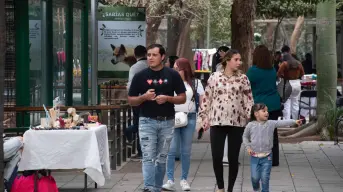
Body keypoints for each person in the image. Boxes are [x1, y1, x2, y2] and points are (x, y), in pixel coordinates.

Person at [128, 44, 186, 192]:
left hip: (167, 121)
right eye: (148, 55)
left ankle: (157, 187)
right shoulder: (140, 76)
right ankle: (149, 188)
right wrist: (144, 97)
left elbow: (182, 98)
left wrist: (167, 98)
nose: (150, 58)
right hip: (146, 121)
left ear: (162, 56)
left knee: (161, 159)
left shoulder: (172, 74)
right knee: (148, 157)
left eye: (154, 55)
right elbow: (131, 100)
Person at [197, 49, 254, 192]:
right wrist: (203, 117)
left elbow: (249, 100)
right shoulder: (214, 77)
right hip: (217, 121)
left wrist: (251, 119)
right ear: (227, 60)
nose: (239, 62)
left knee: (233, 158)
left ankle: (230, 189)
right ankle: (220, 187)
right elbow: (206, 99)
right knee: (216, 156)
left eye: (240, 59)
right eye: (236, 59)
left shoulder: (243, 78)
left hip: (237, 122)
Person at [163, 58, 205, 191]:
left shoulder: (196, 83)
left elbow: (202, 101)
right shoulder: (170, 81)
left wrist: (202, 118)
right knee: (171, 150)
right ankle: (170, 179)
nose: (174, 71)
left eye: (177, 68)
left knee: (186, 151)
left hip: (190, 117)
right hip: (172, 117)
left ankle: (184, 180)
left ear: (184, 69)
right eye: (173, 68)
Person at [243, 103, 302, 192]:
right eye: (264, 111)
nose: (267, 113)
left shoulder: (271, 123)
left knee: (265, 178)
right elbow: (245, 137)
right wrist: (248, 147)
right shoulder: (250, 125)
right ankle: (256, 189)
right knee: (254, 178)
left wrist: (294, 121)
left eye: (267, 111)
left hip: (267, 157)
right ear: (256, 114)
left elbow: (282, 122)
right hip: (254, 157)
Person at [247, 45, 282, 166]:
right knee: (273, 132)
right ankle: (274, 159)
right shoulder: (272, 70)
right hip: (274, 104)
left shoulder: (252, 71)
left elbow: (247, 87)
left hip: (260, 106)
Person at [125, 45, 148, 160]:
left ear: (135, 55)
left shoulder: (134, 67)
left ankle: (140, 150)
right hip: (151, 100)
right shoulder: (151, 65)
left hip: (138, 100)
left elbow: (130, 86)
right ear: (146, 53)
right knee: (145, 124)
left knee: (139, 124)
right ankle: (143, 150)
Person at [277, 53, 305, 120]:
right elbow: (303, 75)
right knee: (295, 103)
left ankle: (287, 122)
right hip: (297, 84)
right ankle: (295, 121)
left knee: (287, 104)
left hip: (288, 83)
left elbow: (278, 74)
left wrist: (283, 77)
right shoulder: (299, 63)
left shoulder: (284, 64)